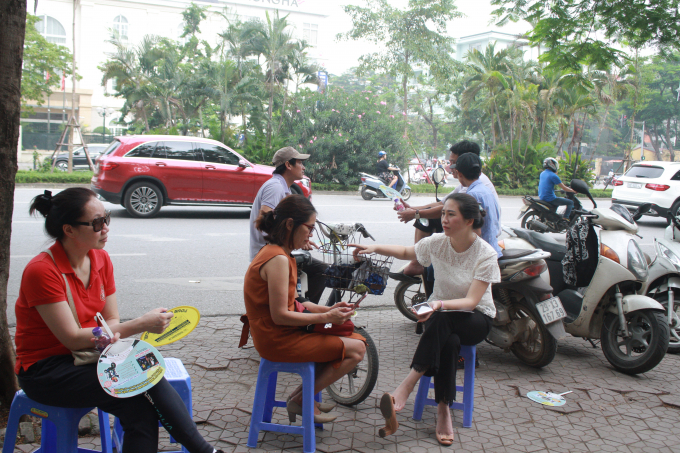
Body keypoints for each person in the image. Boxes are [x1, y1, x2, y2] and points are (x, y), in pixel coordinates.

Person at [15, 188, 224, 453]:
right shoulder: (42, 271)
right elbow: (70, 337)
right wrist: (140, 324)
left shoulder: (100, 258)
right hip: (46, 371)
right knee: (145, 375)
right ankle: (204, 451)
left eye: (107, 219)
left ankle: (203, 451)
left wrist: (112, 336)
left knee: (141, 397)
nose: (106, 228)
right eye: (97, 223)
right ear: (69, 230)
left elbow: (110, 318)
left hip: (90, 357)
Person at [350, 193, 500, 445]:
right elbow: (408, 251)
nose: (444, 219)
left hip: (475, 319)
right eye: (443, 213)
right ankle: (443, 411)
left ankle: (407, 385)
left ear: (469, 220)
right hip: (440, 316)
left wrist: (438, 303)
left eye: (451, 214)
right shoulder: (438, 242)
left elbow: (471, 302)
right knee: (448, 341)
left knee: (443, 320)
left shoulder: (485, 254)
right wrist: (374, 247)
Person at [244, 195, 367, 423]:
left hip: (280, 333)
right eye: (309, 228)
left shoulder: (280, 254)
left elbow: (298, 303)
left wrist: (329, 310)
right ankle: (302, 399)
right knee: (357, 349)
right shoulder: (278, 259)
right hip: (277, 339)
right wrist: (327, 316)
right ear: (290, 224)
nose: (311, 234)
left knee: (351, 337)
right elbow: (280, 316)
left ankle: (301, 397)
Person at [397, 140, 500, 276]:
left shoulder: (471, 194)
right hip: (484, 242)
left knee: (434, 269)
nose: (450, 167)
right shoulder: (475, 185)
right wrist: (413, 209)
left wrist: (416, 214)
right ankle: (418, 262)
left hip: (479, 248)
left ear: (460, 170)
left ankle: (420, 266)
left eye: (452, 163)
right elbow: (444, 204)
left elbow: (476, 231)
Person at [249, 146, 326, 304]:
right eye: (299, 162)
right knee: (322, 270)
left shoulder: (284, 187)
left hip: (275, 250)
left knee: (319, 268)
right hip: (268, 254)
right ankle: (305, 312)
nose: (303, 167)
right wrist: (291, 240)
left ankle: (305, 310)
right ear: (288, 165)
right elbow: (264, 221)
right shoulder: (275, 187)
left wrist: (300, 237)